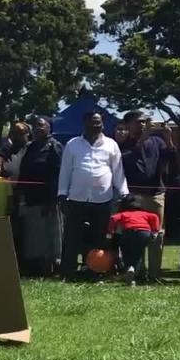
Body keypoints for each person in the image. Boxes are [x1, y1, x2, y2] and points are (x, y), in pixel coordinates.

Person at [59, 111, 127, 280]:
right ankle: (68, 272)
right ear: (85, 123)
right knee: (72, 237)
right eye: (93, 122)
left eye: (99, 123)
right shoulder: (72, 144)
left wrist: (124, 192)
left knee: (98, 238)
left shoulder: (111, 145)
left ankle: (94, 271)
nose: (96, 125)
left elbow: (118, 171)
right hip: (76, 198)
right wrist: (62, 194)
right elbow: (65, 171)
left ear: (103, 125)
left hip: (102, 199)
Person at [119, 110, 174, 278]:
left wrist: (168, 137)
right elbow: (128, 160)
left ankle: (154, 274)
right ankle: (137, 270)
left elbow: (171, 157)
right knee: (135, 234)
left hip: (156, 193)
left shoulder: (157, 141)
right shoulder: (122, 144)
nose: (142, 125)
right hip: (134, 197)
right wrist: (143, 139)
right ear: (128, 125)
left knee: (157, 234)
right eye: (138, 121)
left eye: (145, 121)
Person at [16, 115, 64, 276]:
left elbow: (58, 175)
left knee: (50, 236)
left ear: (49, 128)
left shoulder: (54, 146)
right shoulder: (31, 147)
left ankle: (53, 269)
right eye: (36, 126)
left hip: (48, 200)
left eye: (42, 126)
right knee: (35, 236)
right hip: (31, 199)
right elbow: (24, 171)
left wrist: (51, 201)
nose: (38, 128)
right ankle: (37, 269)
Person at [107, 195, 161, 285]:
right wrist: (155, 231)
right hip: (144, 233)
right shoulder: (145, 214)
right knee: (138, 253)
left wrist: (110, 232)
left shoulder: (124, 214)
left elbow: (113, 218)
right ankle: (133, 271)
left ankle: (129, 268)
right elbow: (155, 216)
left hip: (128, 232)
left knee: (126, 252)